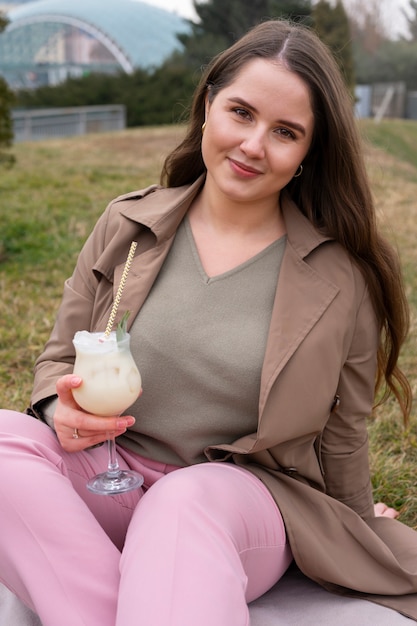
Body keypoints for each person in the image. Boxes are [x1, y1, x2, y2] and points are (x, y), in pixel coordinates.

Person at [0, 18, 416, 626]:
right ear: (207, 108)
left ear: (308, 153)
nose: (253, 145)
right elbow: (58, 359)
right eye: (241, 113)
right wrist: (57, 410)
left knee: (182, 501)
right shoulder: (128, 226)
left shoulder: (341, 278)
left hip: (239, 500)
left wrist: (356, 528)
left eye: (285, 132)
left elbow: (344, 433)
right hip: (111, 473)